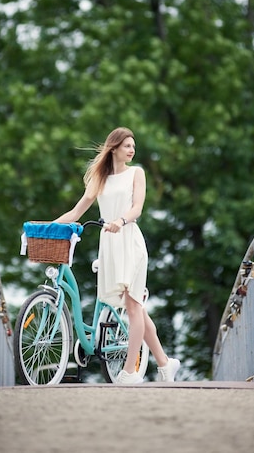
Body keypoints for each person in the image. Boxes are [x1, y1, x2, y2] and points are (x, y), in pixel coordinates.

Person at [55, 127, 181, 384]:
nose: (132, 150)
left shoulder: (137, 173)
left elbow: (137, 209)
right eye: (127, 146)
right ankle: (166, 364)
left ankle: (129, 372)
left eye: (133, 146)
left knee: (133, 305)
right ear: (114, 148)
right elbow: (77, 212)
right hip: (110, 245)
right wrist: (49, 225)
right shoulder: (99, 179)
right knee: (134, 307)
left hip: (129, 240)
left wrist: (120, 221)